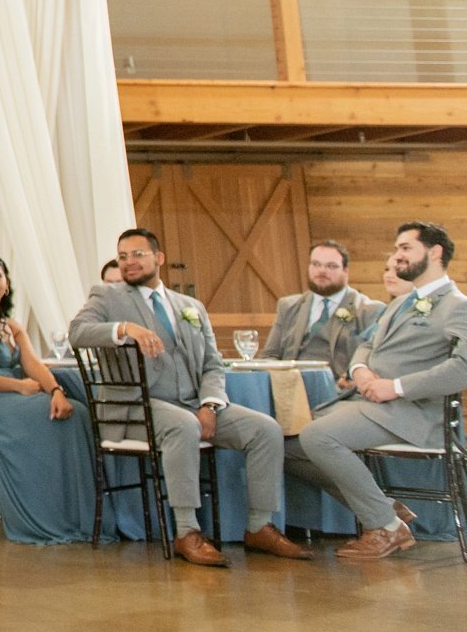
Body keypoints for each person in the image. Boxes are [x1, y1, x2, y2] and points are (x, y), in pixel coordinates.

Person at [70, 228, 309, 567]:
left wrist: (209, 405)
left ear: (159, 258)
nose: (129, 262)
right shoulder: (108, 297)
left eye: (137, 254)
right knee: (184, 426)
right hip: (137, 408)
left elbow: (213, 363)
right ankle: (186, 531)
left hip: (193, 403)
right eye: (123, 256)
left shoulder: (190, 306)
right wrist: (125, 329)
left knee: (265, 429)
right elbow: (77, 332)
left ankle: (259, 526)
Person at [285, 221, 467, 561]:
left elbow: (461, 369)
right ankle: (385, 509)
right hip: (366, 402)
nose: (397, 256)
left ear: (435, 252)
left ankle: (385, 525)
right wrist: (361, 370)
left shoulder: (457, 305)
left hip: (409, 413)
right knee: (286, 444)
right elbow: (367, 345)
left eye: (405, 248)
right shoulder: (400, 303)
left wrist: (395, 387)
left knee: (318, 437)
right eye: (396, 249)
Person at [0, 253, 96, 544]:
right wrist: (17, 387)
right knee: (49, 418)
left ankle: (74, 512)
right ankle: (43, 514)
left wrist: (55, 391)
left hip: (10, 394)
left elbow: (33, 364)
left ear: (7, 284)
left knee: (75, 411)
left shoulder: (10, 324)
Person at [258, 241, 383, 385]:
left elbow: (372, 360)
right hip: (290, 385)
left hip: (338, 388)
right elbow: (269, 355)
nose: (322, 271)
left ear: (346, 271)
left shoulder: (368, 310)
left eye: (331, 266)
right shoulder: (288, 306)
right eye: (316, 264)